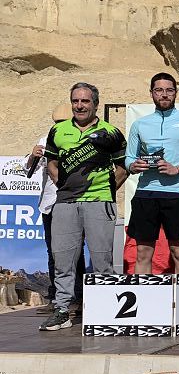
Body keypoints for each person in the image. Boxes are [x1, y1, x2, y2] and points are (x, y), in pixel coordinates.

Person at [39, 82, 127, 331]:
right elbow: (51, 162)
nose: (79, 105)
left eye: (85, 101)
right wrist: (62, 185)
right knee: (63, 260)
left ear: (95, 104)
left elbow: (123, 168)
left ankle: (106, 310)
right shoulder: (57, 131)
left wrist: (107, 191)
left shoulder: (111, 132)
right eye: (75, 101)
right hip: (65, 204)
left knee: (102, 260)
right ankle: (62, 310)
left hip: (99, 203)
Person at [125, 72, 179, 274]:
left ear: (175, 93)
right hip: (146, 193)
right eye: (159, 90)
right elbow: (129, 157)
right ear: (151, 93)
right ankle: (143, 302)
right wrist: (134, 166)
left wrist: (178, 168)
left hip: (177, 194)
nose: (164, 94)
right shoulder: (140, 124)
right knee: (143, 253)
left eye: (169, 90)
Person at [26, 104, 85, 314]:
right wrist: (33, 156)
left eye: (63, 122)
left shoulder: (80, 139)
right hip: (50, 205)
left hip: (72, 202)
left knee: (75, 252)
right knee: (53, 252)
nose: (59, 126)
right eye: (57, 123)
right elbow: (28, 171)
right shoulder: (45, 140)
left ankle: (78, 296)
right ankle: (55, 296)